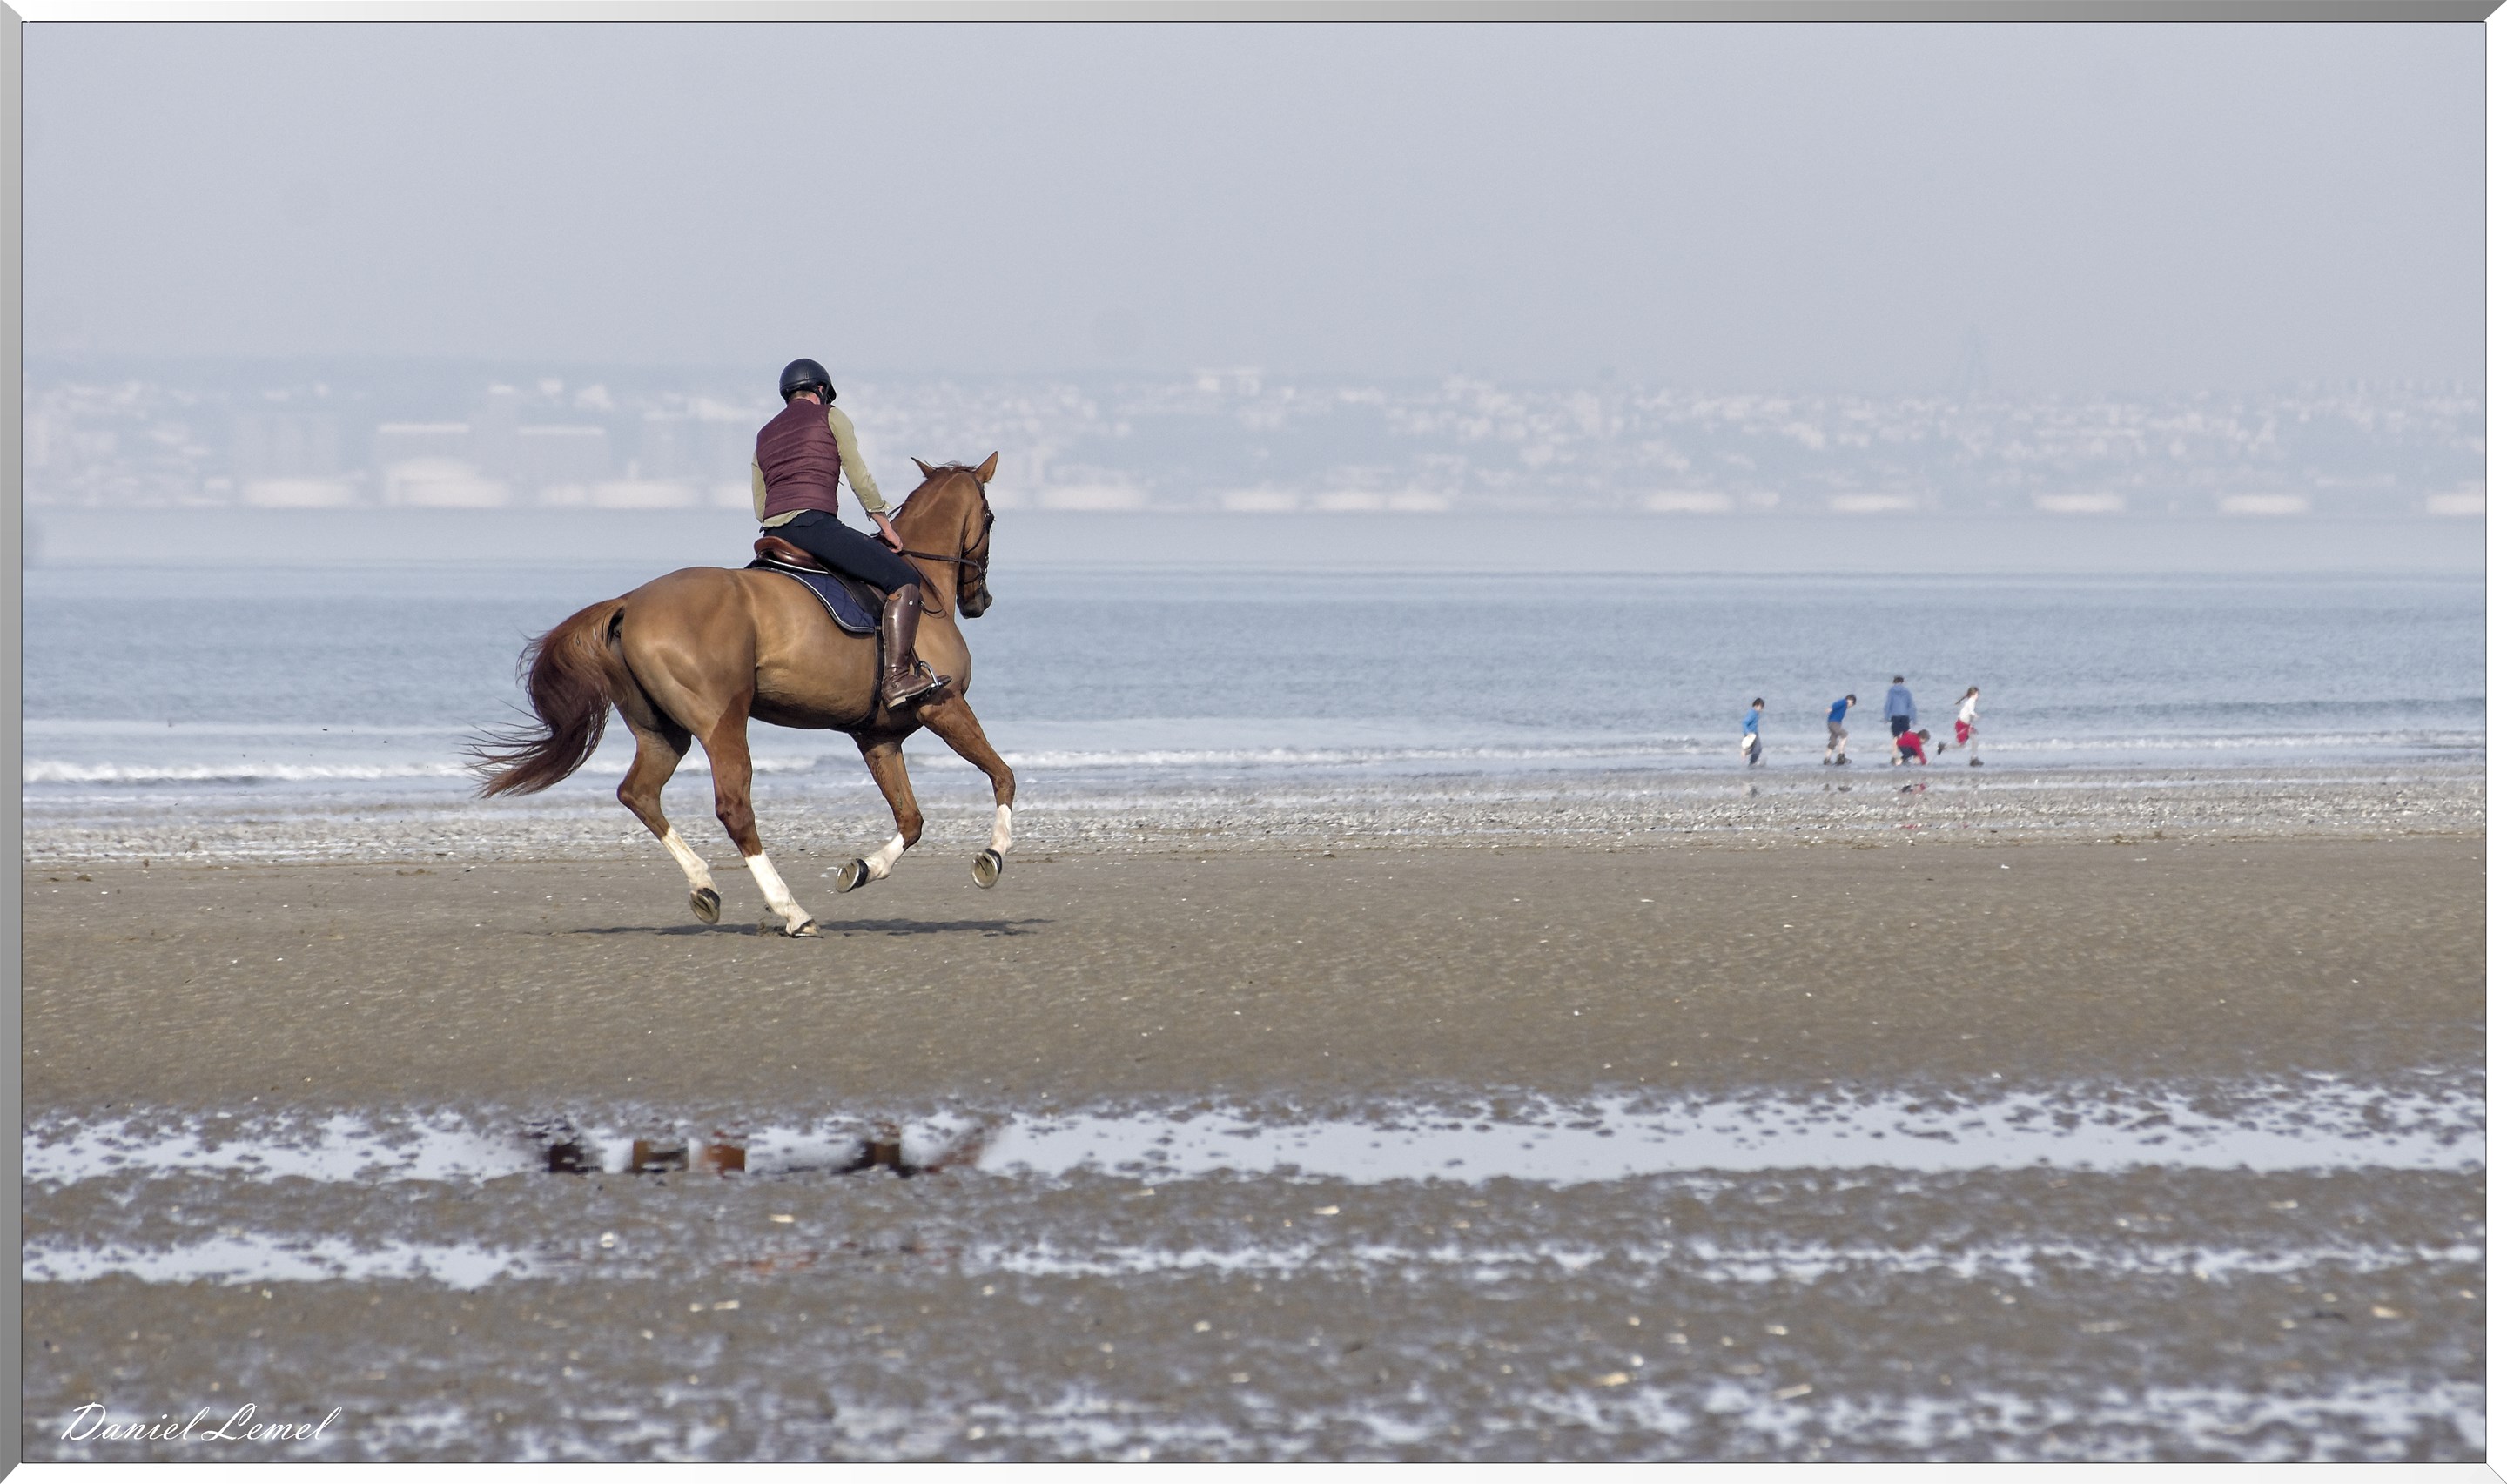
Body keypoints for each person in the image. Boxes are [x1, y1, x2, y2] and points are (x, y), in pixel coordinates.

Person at [751, 358, 947, 709]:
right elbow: (858, 475)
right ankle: (897, 678)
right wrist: (884, 524)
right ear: (822, 391)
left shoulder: (764, 433)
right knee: (903, 579)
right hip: (813, 525)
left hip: (774, 532)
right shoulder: (831, 416)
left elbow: (760, 499)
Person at [1823, 694, 1856, 765]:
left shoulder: (1843, 705)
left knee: (1833, 742)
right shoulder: (1844, 702)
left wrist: (1832, 709)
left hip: (1831, 724)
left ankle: (1827, 759)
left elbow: (1836, 706)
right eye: (1852, 705)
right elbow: (1836, 704)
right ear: (1851, 701)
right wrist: (1831, 708)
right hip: (1834, 723)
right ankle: (1841, 755)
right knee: (1844, 734)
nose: (1850, 707)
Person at [1954, 686, 1981, 766]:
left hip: (1966, 725)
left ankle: (1973, 759)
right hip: (1962, 725)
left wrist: (1972, 725)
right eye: (1977, 694)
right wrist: (1976, 716)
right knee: (1962, 745)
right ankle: (1943, 747)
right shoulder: (1971, 701)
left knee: (1974, 741)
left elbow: (1969, 717)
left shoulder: (1971, 701)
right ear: (1973, 694)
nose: (1978, 696)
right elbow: (1971, 712)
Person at [1884, 675, 1916, 741]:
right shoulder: (1907, 691)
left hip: (1895, 717)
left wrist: (1886, 718)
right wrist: (1914, 719)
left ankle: (1895, 749)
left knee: (1896, 736)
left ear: (1894, 682)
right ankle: (1904, 749)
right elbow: (1911, 706)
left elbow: (1888, 705)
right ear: (1902, 682)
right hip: (1905, 716)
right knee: (1906, 736)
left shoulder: (1891, 691)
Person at [1741, 698, 1765, 768]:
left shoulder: (1756, 713)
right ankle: (1751, 764)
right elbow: (1744, 723)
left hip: (1755, 734)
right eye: (1761, 707)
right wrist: (1748, 733)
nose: (1762, 709)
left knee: (1758, 749)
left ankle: (1748, 756)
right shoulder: (1752, 713)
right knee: (1757, 749)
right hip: (1750, 735)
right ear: (1757, 705)